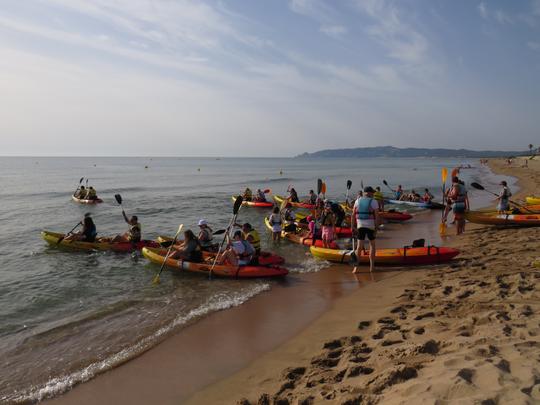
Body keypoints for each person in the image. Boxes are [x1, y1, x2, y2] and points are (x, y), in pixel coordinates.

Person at [351, 186, 379, 273]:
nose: (373, 194)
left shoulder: (357, 201)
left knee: (359, 247)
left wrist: (352, 227)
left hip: (360, 226)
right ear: (369, 193)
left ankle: (355, 268)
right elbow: (377, 217)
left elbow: (352, 215)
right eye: (372, 192)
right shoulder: (374, 202)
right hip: (370, 226)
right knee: (372, 245)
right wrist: (376, 229)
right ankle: (372, 267)